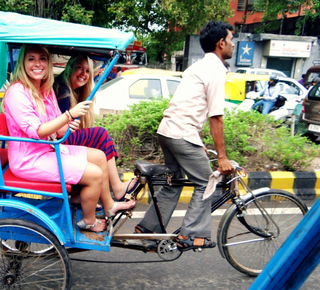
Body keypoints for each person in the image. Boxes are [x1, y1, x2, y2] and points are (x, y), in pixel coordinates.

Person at [3, 44, 135, 232]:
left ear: (48, 63)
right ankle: (89, 222)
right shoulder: (17, 92)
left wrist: (67, 124)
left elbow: (57, 126)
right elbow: (37, 131)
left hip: (48, 149)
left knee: (98, 156)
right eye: (31, 59)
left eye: (42, 59)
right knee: (95, 174)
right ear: (23, 63)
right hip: (29, 159)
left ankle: (109, 206)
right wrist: (69, 115)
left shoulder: (44, 89)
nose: (37, 64)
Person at [134, 20, 235, 251]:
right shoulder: (216, 70)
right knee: (207, 181)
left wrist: (197, 142)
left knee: (175, 181)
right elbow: (216, 117)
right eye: (230, 41)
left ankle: (148, 228)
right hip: (181, 133)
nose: (232, 46)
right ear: (221, 43)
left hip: (168, 131)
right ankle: (192, 235)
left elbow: (189, 107)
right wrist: (222, 157)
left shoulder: (197, 67)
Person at [54, 54, 139, 201]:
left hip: (60, 139)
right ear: (70, 68)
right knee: (100, 134)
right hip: (56, 141)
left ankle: (80, 194)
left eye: (87, 71)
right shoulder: (63, 91)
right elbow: (59, 129)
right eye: (79, 68)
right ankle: (117, 188)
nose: (83, 74)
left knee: (97, 137)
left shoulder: (70, 89)